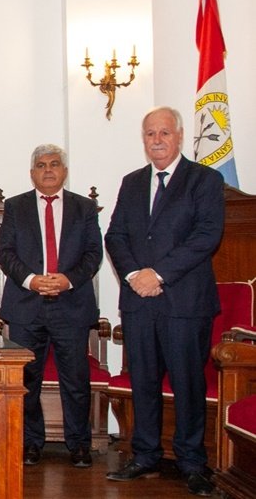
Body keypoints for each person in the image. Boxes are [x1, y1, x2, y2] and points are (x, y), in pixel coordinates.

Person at [104, 106, 224, 497]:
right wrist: (134, 276)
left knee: (188, 384)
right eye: (150, 134)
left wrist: (157, 275)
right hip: (139, 304)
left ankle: (192, 463)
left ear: (180, 135)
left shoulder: (204, 179)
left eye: (164, 133)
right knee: (143, 381)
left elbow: (206, 236)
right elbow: (115, 236)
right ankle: (145, 455)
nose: (157, 140)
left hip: (184, 303)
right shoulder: (132, 182)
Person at [0, 144, 103, 468]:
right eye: (41, 165)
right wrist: (31, 280)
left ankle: (79, 444)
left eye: (54, 164)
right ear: (32, 173)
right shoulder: (15, 207)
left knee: (76, 379)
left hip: (71, 304)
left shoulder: (84, 208)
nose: (48, 170)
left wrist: (67, 280)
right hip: (27, 305)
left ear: (64, 171)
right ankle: (31, 442)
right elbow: (6, 253)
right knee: (26, 380)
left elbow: (93, 254)